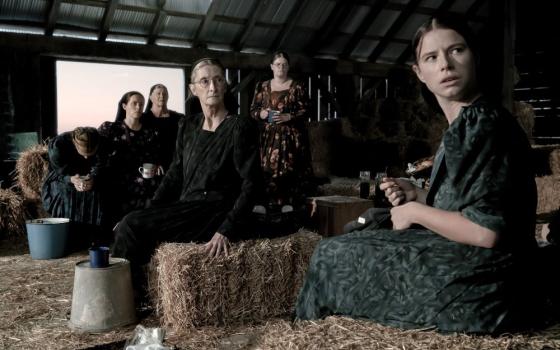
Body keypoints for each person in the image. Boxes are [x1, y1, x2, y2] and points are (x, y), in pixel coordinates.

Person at [295, 15, 545, 334]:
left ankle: (309, 335)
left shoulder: (480, 125)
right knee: (363, 226)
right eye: (432, 57)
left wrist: (414, 210)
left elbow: (486, 231)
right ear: (419, 73)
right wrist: (417, 194)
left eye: (456, 50)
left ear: (475, 57)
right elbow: (469, 205)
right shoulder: (470, 121)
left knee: (329, 253)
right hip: (499, 277)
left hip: (487, 285)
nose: (445, 64)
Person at [111, 58, 261, 290]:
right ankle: (136, 294)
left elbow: (252, 183)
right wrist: (150, 210)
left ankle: (119, 298)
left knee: (131, 225)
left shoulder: (240, 127)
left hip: (215, 211)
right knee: (130, 223)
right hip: (188, 207)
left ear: (225, 86)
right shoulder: (188, 126)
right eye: (205, 81)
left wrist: (226, 229)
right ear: (193, 89)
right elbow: (174, 174)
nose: (212, 87)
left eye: (218, 80)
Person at [250, 51, 314, 215]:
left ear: (288, 67)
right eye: (278, 64)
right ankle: (268, 205)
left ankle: (288, 204)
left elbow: (307, 111)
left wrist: (290, 116)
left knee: (289, 169)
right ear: (272, 67)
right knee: (266, 169)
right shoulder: (263, 86)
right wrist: (262, 114)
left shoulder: (297, 86)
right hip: (268, 138)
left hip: (291, 138)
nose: (281, 67)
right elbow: (253, 111)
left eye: (284, 64)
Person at [98, 91, 162, 222]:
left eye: (141, 104)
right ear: (124, 106)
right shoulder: (109, 128)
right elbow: (94, 152)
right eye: (134, 103)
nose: (138, 107)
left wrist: (157, 165)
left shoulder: (150, 133)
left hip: (142, 180)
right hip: (115, 179)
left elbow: (155, 157)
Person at [41, 127, 110, 247]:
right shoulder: (58, 145)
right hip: (61, 177)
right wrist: (71, 179)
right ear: (74, 144)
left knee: (99, 191)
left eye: (90, 154)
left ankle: (93, 237)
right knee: (67, 193)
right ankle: (68, 237)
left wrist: (93, 178)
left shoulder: (102, 142)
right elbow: (59, 172)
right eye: (84, 154)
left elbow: (101, 165)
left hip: (89, 176)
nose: (87, 158)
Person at [143, 84, 185, 172]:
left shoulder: (179, 118)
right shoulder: (143, 118)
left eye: (165, 94)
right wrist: (152, 163)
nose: (162, 96)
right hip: (151, 168)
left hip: (175, 166)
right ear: (151, 97)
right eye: (158, 93)